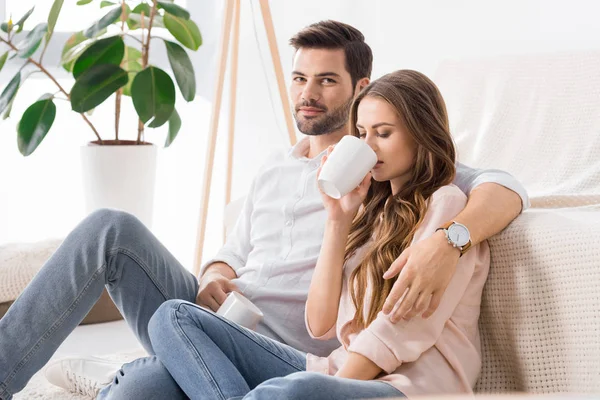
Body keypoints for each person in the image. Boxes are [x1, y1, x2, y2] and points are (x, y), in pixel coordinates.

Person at [0, 20, 526, 400]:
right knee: (109, 229)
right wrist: (214, 274)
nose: (308, 94)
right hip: (220, 319)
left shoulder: (383, 176)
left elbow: (502, 186)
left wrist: (448, 239)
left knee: (138, 389)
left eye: (326, 81)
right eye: (300, 79)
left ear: (360, 89)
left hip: (292, 347)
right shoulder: (276, 169)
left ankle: (127, 372)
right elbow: (233, 251)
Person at [147, 69, 491, 399]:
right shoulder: (371, 213)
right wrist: (337, 220)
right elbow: (320, 324)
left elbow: (405, 329)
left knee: (293, 392)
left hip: (409, 387)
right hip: (334, 371)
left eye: (383, 134)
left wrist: (327, 387)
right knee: (173, 316)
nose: (368, 147)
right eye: (361, 134)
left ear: (421, 134)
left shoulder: (447, 205)